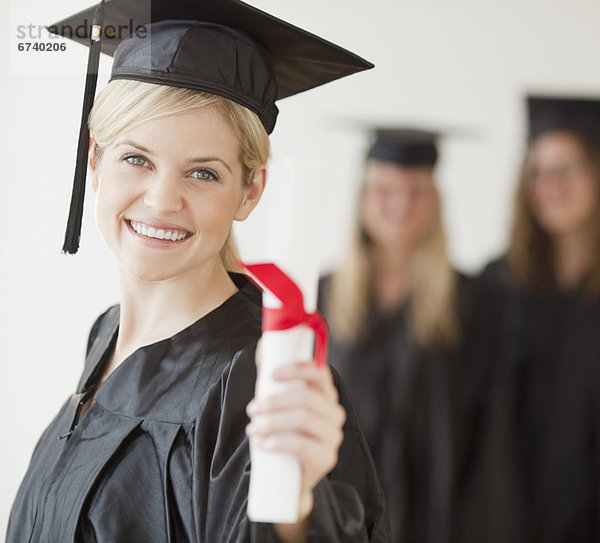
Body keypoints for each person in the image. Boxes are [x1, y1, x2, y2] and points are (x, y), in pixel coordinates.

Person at [6, 2, 390, 542]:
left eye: (203, 173)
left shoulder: (261, 375)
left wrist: (297, 513)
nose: (162, 200)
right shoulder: (106, 334)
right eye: (136, 158)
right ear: (94, 160)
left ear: (249, 190)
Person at [318, 129, 492, 543]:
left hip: (438, 515)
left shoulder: (474, 300)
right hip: (341, 511)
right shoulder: (321, 293)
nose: (400, 204)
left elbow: (488, 427)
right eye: (384, 189)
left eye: (415, 191)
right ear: (363, 199)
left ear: (434, 203)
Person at [480, 95, 600, 543]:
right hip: (510, 520)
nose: (550, 185)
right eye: (538, 171)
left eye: (566, 168)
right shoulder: (497, 286)